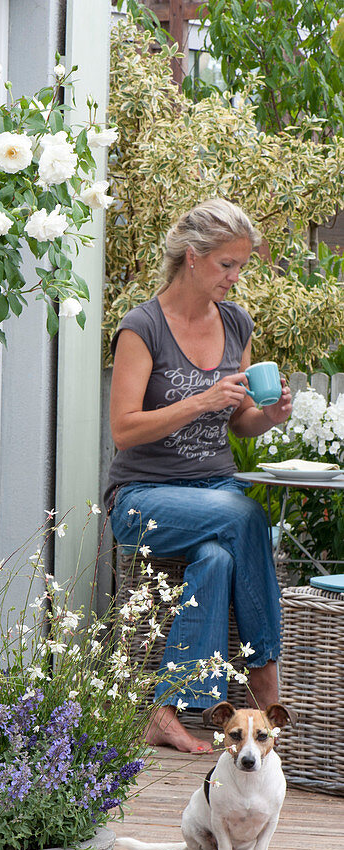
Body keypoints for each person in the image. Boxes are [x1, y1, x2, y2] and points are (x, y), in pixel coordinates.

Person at [105, 198, 292, 753]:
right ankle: (265, 679)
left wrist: (268, 416)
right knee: (245, 513)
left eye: (241, 266)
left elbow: (238, 421)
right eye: (226, 266)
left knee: (216, 557)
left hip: (214, 491)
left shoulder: (235, 322)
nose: (235, 278)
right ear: (193, 257)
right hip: (142, 498)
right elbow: (123, 429)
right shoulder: (142, 328)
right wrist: (201, 399)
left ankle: (165, 711)